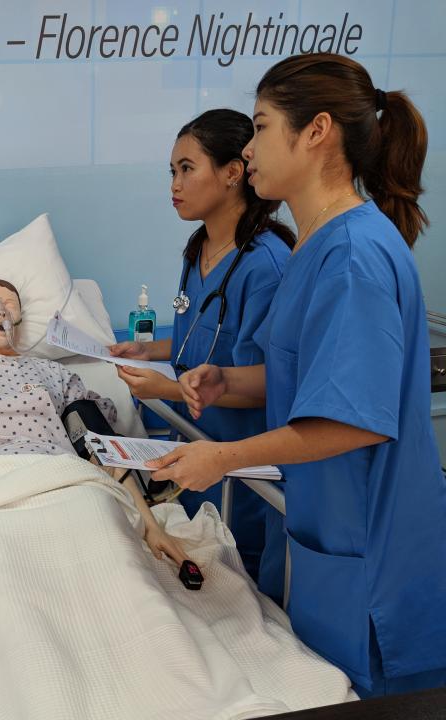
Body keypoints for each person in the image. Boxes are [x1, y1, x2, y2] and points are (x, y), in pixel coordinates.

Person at [146, 53, 446, 698]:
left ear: (316, 132)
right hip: (322, 533)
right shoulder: (317, 245)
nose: (248, 149)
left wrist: (223, 455)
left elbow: (349, 421)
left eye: (258, 127)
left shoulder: (352, 258)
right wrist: (229, 383)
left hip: (372, 554)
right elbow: (308, 382)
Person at [108, 109, 294, 595]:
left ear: (233, 172)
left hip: (239, 466)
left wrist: (167, 387)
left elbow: (266, 382)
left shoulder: (267, 265)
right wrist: (150, 350)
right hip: (194, 446)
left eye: (187, 168)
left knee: (239, 584)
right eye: (172, 171)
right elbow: (203, 336)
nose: (175, 183)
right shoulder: (199, 249)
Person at [0, 279, 190, 567]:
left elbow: (97, 440)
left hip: (64, 481)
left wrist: (149, 526)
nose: (0, 309)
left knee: (107, 545)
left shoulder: (52, 372)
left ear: (19, 323)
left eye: (9, 303)